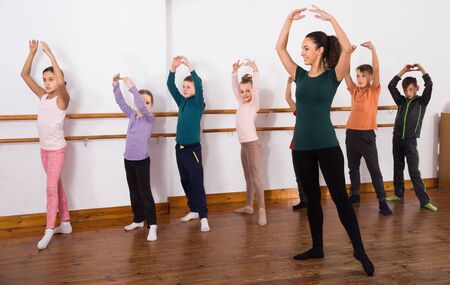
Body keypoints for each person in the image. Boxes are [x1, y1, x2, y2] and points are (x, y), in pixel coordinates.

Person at [275, 6, 374, 276]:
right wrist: (288, 20)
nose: (302, 52)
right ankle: (317, 247)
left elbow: (347, 49)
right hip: (302, 150)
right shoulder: (300, 75)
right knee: (313, 201)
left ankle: (359, 250)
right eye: (302, 48)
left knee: (341, 199)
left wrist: (331, 19)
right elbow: (279, 49)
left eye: (306, 48)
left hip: (328, 148)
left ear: (319, 50)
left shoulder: (334, 76)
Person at [20, 40, 72, 250]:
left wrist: (50, 54)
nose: (48, 83)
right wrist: (32, 53)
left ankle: (49, 228)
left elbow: (60, 84)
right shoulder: (43, 96)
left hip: (58, 150)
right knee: (56, 185)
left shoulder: (63, 99)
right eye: (45, 80)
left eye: (51, 79)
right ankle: (66, 222)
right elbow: (24, 75)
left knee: (50, 188)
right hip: (44, 151)